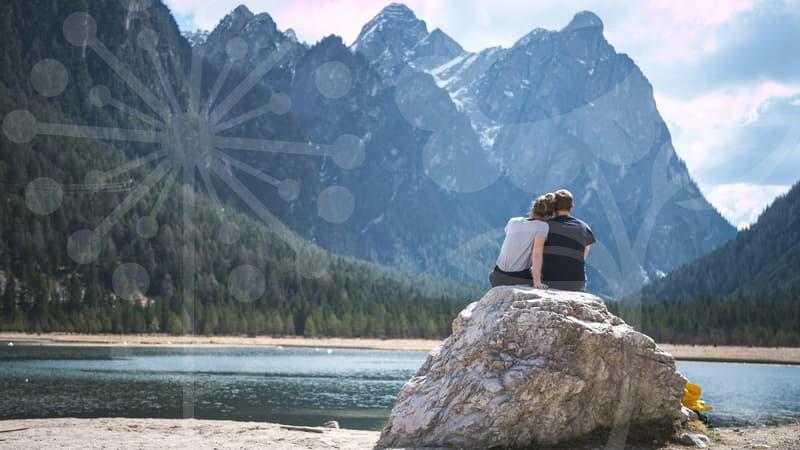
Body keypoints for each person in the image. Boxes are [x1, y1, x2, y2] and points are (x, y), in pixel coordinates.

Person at [490, 193, 555, 288]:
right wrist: (537, 282)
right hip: (517, 277)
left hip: (497, 275)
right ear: (548, 217)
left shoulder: (513, 221)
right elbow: (537, 255)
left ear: (533, 209)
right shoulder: (542, 226)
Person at [542, 189, 595, 291]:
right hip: (576, 283)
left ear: (553, 207)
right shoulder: (584, 227)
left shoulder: (545, 226)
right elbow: (583, 256)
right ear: (572, 207)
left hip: (550, 281)